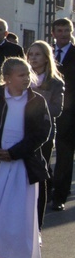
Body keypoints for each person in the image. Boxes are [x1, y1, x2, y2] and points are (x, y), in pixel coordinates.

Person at [0, 57, 50, 258]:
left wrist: (16, 152)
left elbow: (42, 132)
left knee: (18, 214)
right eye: (21, 75)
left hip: (22, 165)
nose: (26, 78)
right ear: (7, 78)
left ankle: (15, 256)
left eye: (28, 74)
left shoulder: (36, 100)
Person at [27, 40, 64, 225]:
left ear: (46, 58)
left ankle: (37, 221)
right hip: (20, 131)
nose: (33, 58)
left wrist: (36, 105)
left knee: (40, 172)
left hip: (44, 134)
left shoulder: (55, 82)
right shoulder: (21, 77)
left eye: (37, 54)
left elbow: (57, 110)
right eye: (31, 54)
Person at [50, 17, 75, 211]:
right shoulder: (45, 53)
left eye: (66, 31)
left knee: (65, 156)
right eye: (59, 31)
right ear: (53, 33)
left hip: (70, 113)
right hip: (46, 111)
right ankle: (47, 186)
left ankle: (60, 195)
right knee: (41, 153)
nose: (63, 34)